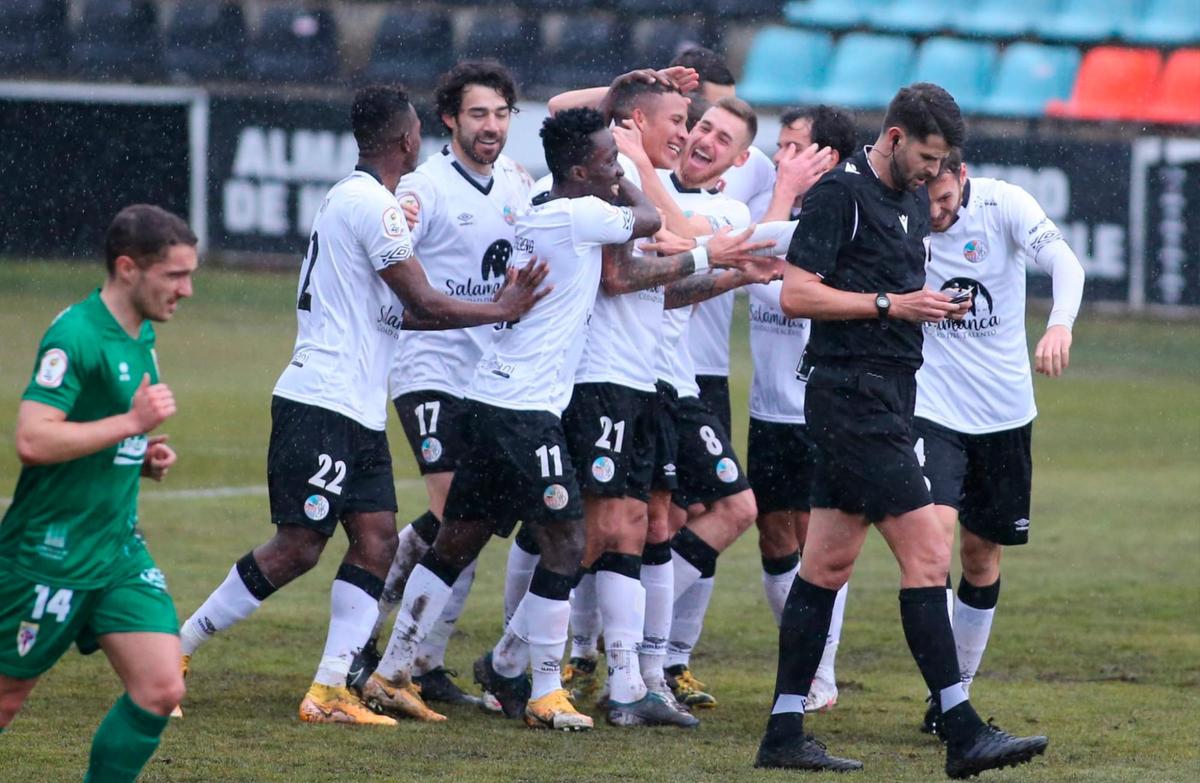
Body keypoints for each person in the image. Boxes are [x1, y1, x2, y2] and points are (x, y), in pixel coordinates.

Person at [176, 85, 547, 726]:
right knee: (297, 546)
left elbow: (400, 314)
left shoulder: (355, 199)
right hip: (319, 398)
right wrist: (502, 309)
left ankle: (328, 692)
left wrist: (487, 310)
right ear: (406, 139)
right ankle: (173, 651)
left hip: (358, 406)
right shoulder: (371, 205)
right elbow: (424, 301)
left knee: (375, 540)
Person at [754, 83, 1049, 777]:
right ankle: (961, 727)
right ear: (893, 137)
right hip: (851, 399)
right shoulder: (839, 195)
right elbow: (796, 291)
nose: (931, 171)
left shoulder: (917, 199)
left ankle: (783, 729)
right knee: (926, 555)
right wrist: (891, 303)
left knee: (824, 564)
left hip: (888, 396)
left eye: (942, 160)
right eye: (926, 155)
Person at [368, 108, 663, 732]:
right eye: (608, 160)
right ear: (580, 170)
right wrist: (625, 181)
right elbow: (651, 220)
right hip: (526, 412)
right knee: (566, 540)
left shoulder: (542, 205)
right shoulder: (580, 215)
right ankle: (545, 691)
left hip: (487, 399)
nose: (618, 168)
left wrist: (608, 169)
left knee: (457, 541)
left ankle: (393, 671)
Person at [350, 60, 536, 709]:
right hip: (427, 370)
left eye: (502, 113)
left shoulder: (518, 182)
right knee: (461, 511)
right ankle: (380, 645)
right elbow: (386, 276)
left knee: (462, 521)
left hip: (491, 378)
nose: (492, 126)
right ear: (450, 119)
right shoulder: (423, 190)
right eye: (479, 113)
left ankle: (416, 656)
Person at [0, 204, 197, 782]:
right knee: (7, 700)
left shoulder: (143, 335)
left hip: (115, 551)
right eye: (175, 276)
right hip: (49, 552)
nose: (187, 290)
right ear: (128, 268)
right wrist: (130, 427)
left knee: (161, 687)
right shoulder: (75, 334)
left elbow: (105, 432)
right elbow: (34, 439)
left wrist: (139, 459)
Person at [916, 148, 1084, 735]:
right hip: (930, 407)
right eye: (924, 200)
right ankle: (949, 695)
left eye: (942, 200)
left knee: (980, 555)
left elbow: (1066, 263)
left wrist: (1059, 321)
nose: (933, 213)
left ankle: (954, 691)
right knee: (932, 545)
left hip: (1005, 415)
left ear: (961, 178)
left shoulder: (1003, 203)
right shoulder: (903, 213)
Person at [748, 104, 859, 714]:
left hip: (817, 408)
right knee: (772, 536)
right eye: (780, 146)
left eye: (794, 147)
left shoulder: (837, 215)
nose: (779, 159)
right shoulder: (773, 201)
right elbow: (744, 250)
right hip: (768, 407)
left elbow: (754, 249)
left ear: (828, 159)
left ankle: (820, 672)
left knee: (818, 544)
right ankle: (804, 652)